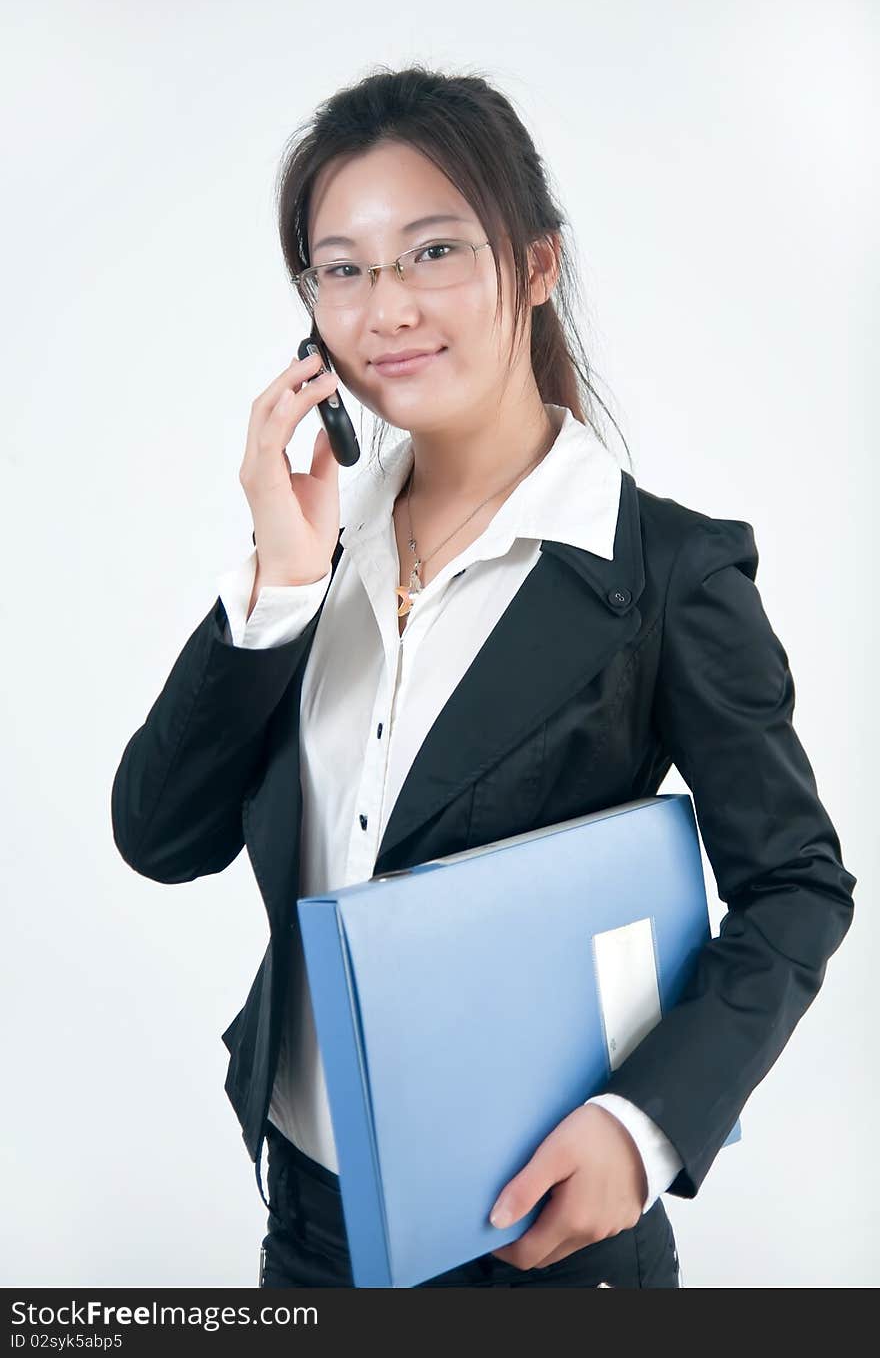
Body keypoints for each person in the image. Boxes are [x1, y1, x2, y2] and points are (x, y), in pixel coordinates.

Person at [111, 65, 856, 1290]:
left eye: (433, 252)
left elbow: (795, 888)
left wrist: (643, 1127)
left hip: (538, 1240)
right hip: (305, 1220)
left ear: (539, 263)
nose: (385, 307)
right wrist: (281, 583)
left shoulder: (662, 571)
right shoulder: (320, 543)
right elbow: (160, 835)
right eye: (340, 268)